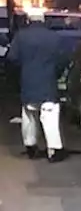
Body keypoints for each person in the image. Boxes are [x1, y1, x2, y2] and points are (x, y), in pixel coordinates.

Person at [8, 18, 73, 160]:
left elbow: (12, 58)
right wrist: (56, 73)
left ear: (28, 21)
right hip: (48, 82)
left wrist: (21, 71)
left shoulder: (21, 36)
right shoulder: (55, 38)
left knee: (29, 115)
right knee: (50, 115)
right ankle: (54, 148)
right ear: (44, 21)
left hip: (28, 81)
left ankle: (30, 145)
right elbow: (64, 59)